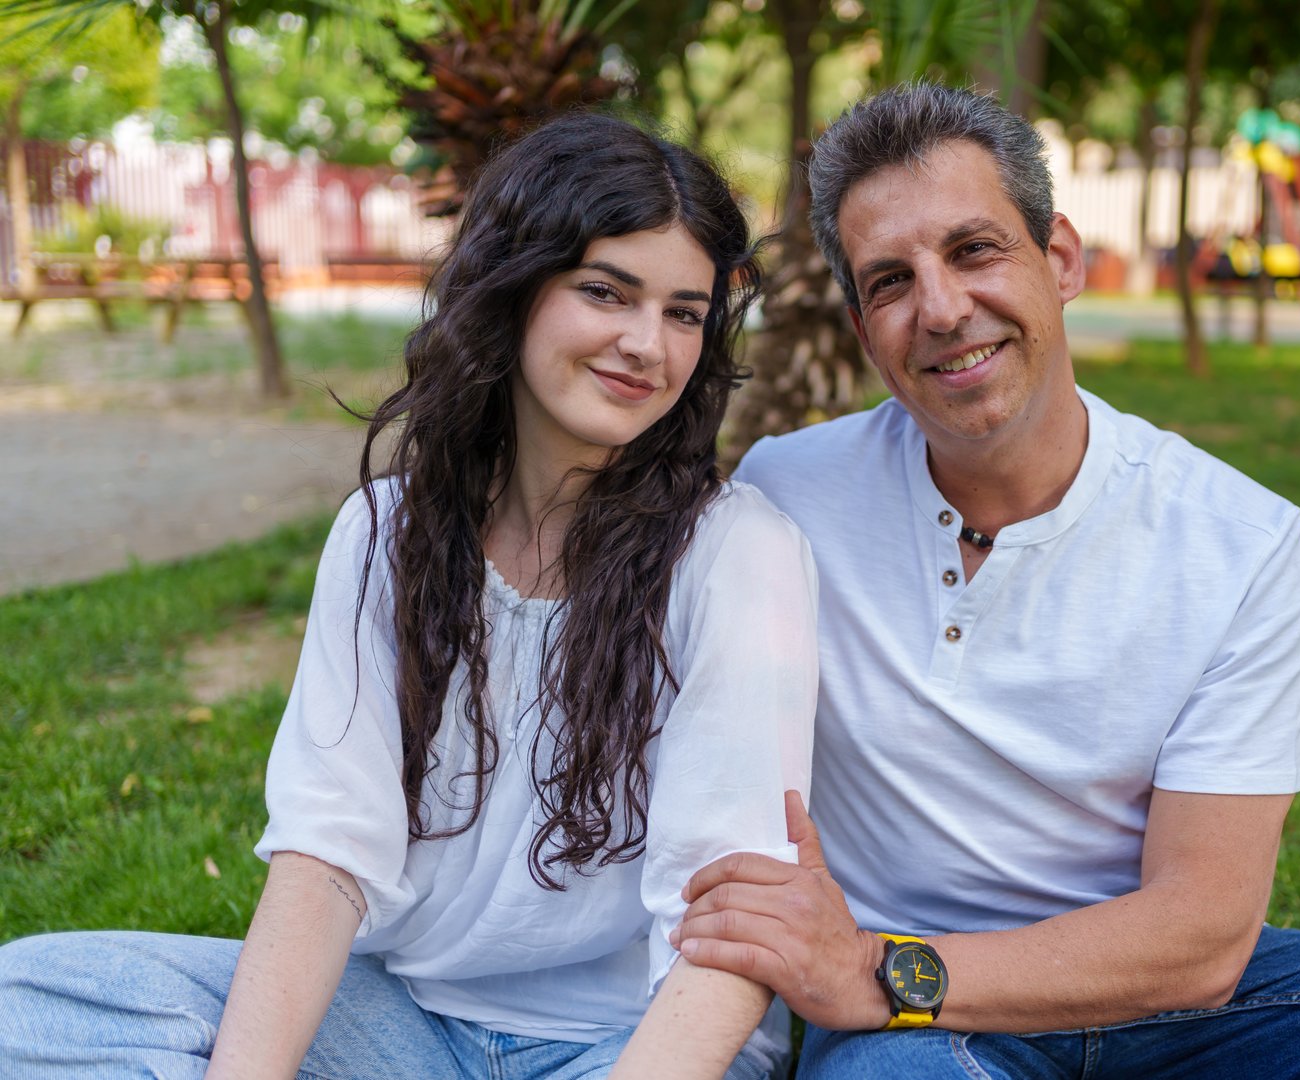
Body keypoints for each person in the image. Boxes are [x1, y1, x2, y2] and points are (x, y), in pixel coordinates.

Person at [670, 84, 1300, 1078]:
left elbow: (1203, 938)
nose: (942, 309)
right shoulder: (786, 493)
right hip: (919, 1038)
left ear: (1063, 259)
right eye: (891, 281)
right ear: (865, 330)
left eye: (974, 249)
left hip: (1131, 998)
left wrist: (877, 970)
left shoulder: (1241, 542)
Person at [0, 111, 818, 1080]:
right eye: (607, 291)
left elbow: (725, 926)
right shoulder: (390, 530)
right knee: (33, 999)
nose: (649, 344)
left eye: (685, 312)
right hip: (408, 1021)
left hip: (632, 1045)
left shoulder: (737, 555)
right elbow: (326, 858)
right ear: (512, 291)